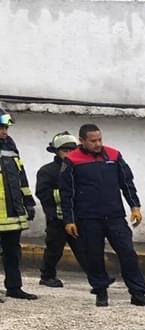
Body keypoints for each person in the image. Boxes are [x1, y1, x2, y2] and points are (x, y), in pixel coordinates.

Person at [60, 123, 145, 307]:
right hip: (88, 218)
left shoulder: (114, 155)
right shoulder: (72, 161)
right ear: (82, 141)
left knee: (128, 254)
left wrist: (135, 206)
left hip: (114, 216)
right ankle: (101, 292)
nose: (98, 144)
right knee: (94, 256)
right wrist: (69, 220)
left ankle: (138, 293)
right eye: (93, 141)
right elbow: (67, 193)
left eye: (100, 139)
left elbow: (127, 183)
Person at [36, 131, 84, 287]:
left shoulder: (80, 169)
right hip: (57, 218)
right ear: (56, 152)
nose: (69, 153)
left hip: (77, 217)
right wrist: (66, 195)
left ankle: (97, 277)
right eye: (65, 150)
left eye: (72, 150)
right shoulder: (47, 171)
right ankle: (47, 276)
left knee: (85, 250)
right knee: (54, 249)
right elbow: (43, 194)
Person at [0, 109, 39, 301]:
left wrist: (28, 202)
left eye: (6, 127)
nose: (4, 132)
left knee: (13, 252)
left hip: (12, 211)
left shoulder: (10, 146)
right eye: (1, 128)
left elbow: (20, 176)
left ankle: (14, 287)